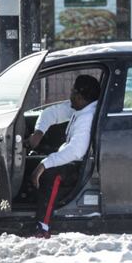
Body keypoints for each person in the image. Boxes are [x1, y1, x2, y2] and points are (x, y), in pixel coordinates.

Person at [27, 74, 101, 238]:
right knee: (34, 162)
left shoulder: (87, 117)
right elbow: (51, 113)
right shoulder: (81, 107)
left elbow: (76, 151)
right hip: (70, 158)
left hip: (77, 165)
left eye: (72, 92)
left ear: (81, 97)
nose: (70, 96)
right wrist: (38, 132)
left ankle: (43, 226)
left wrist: (45, 164)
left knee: (51, 174)